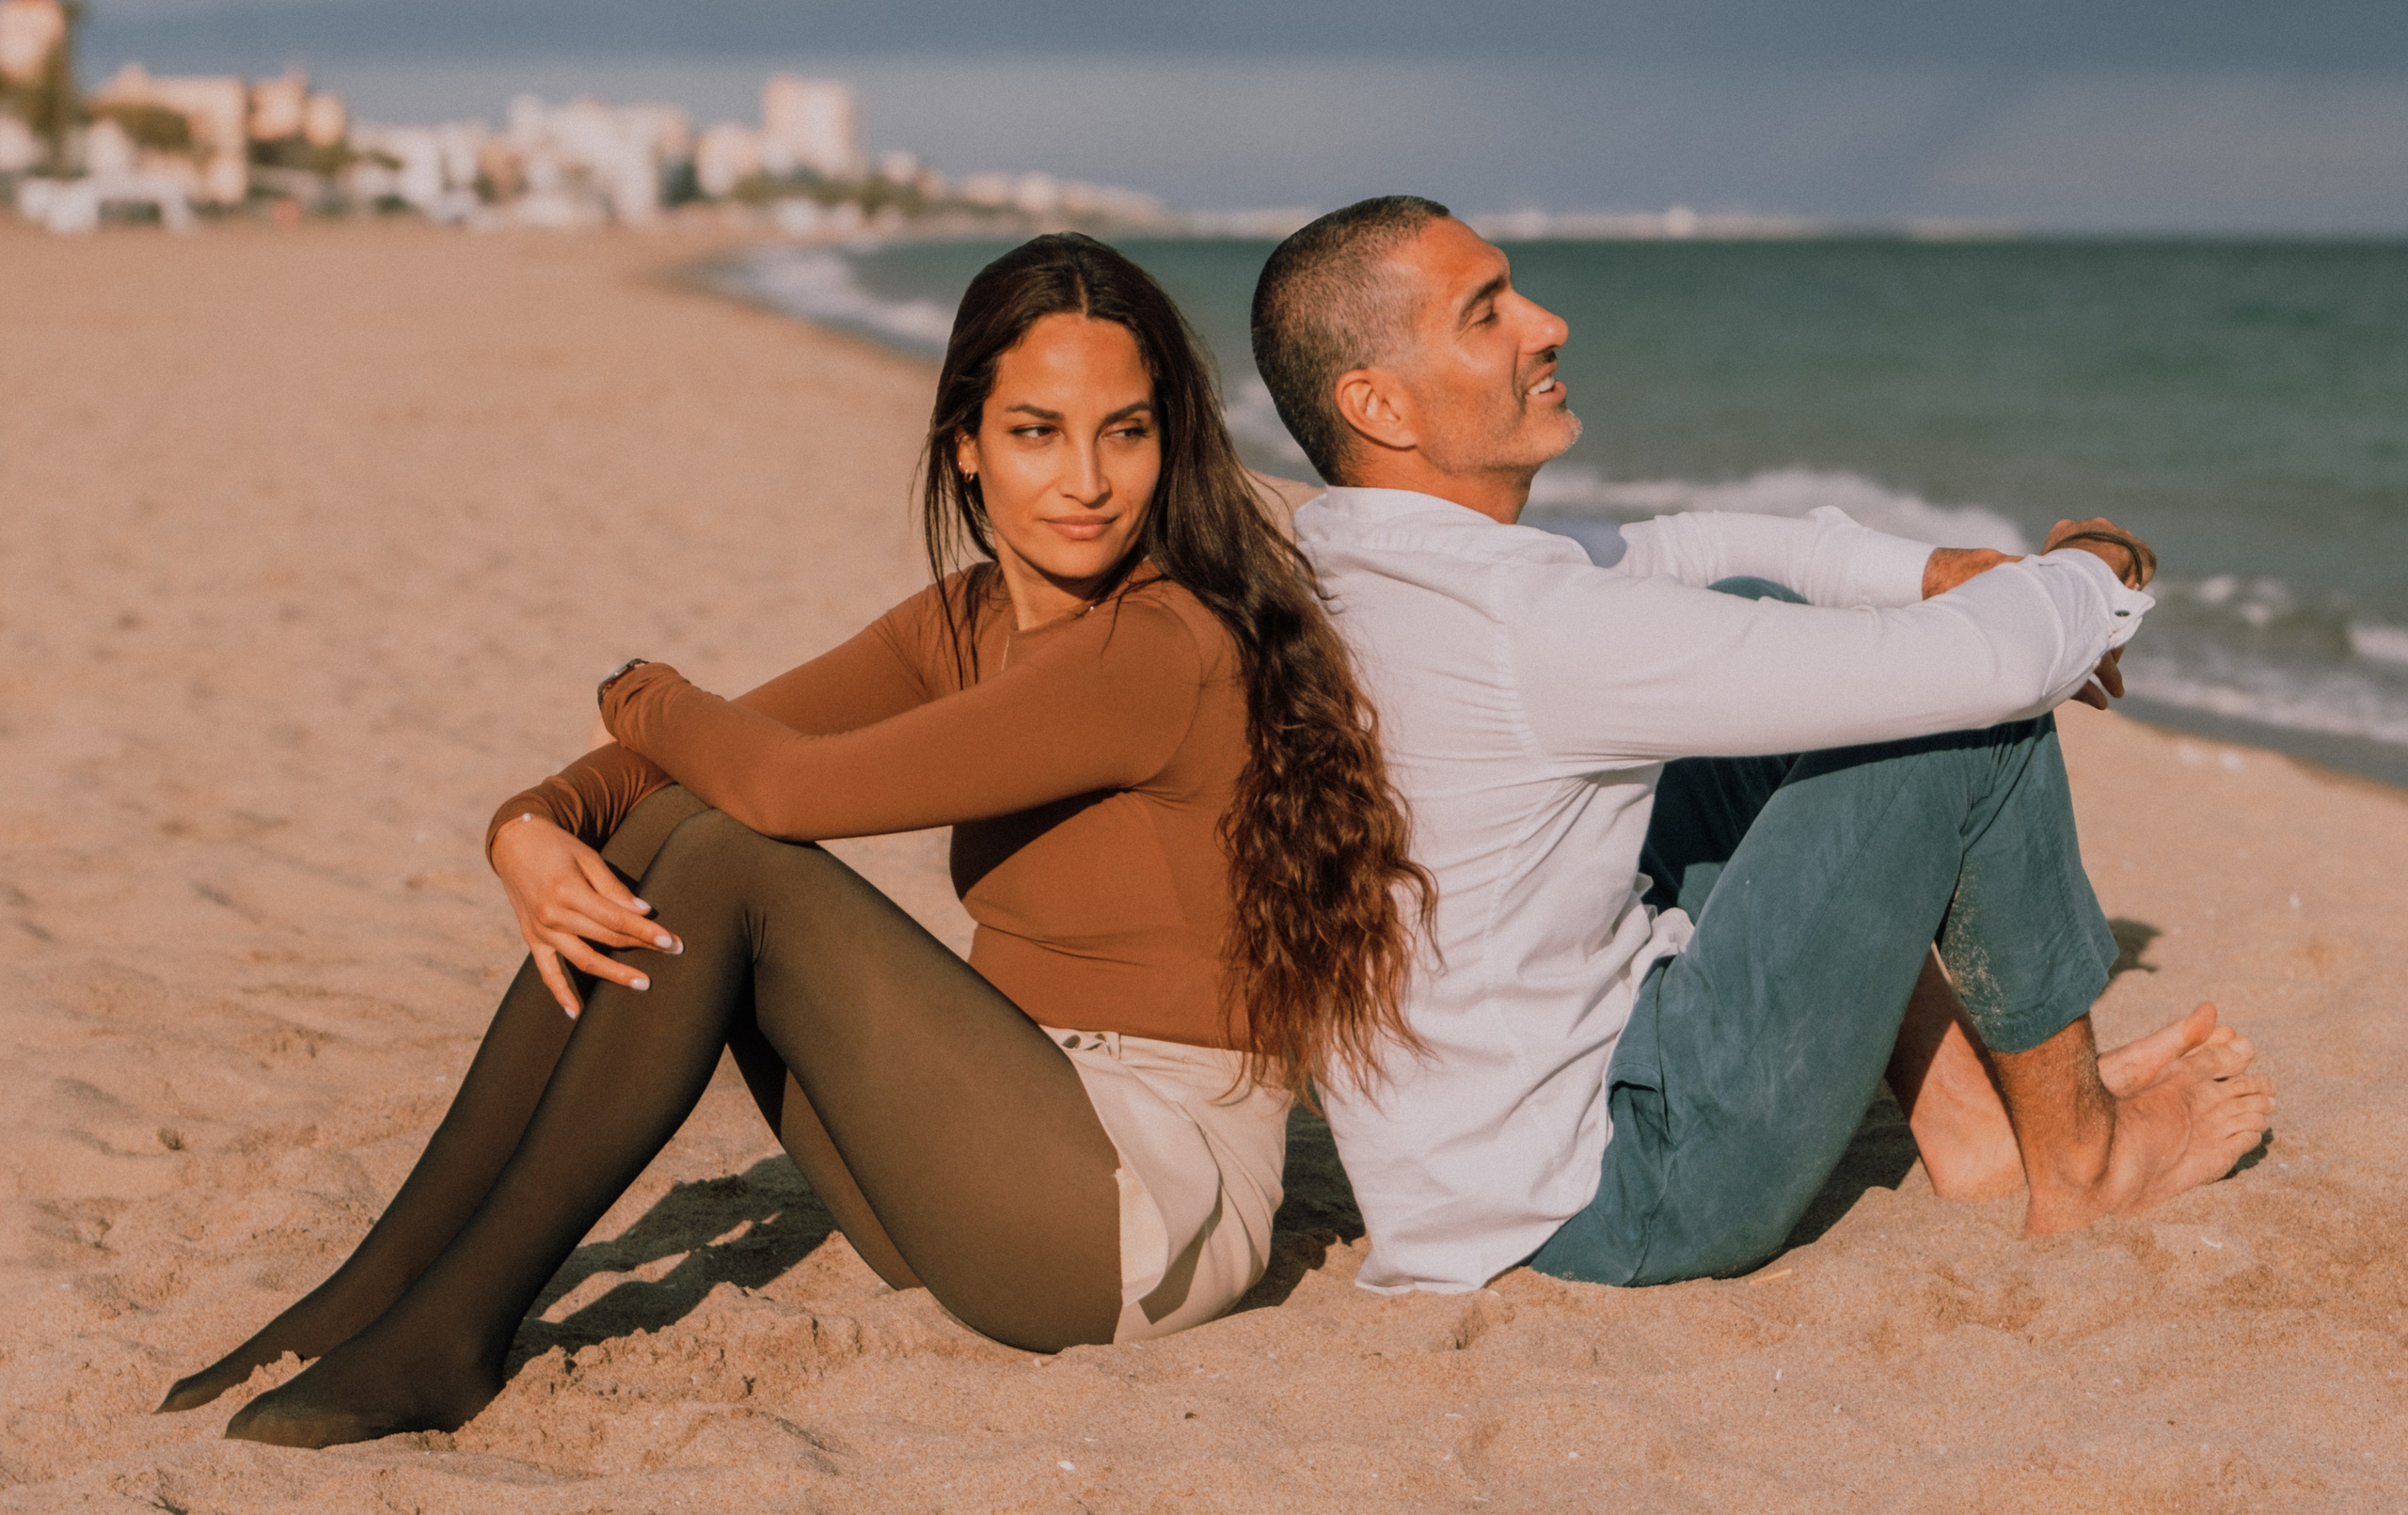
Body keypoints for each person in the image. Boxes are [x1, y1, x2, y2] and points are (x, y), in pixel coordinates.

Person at [158, 233, 1429, 1447]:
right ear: (970, 447)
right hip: (979, 1171)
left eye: (1126, 432)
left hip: (1141, 1212)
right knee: (670, 825)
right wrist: (529, 827)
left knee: (734, 851)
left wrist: (632, 681)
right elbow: (670, 776)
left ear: (1172, 443)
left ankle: (448, 1327)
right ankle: (376, 1286)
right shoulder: (968, 616)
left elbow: (780, 783)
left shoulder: (1162, 648)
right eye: (1037, 432)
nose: (1087, 480)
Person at [1251, 196, 2276, 1296]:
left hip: (1486, 1169)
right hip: (1623, 1193)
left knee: (1752, 610)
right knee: (1969, 717)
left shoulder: (1364, 570)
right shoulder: (1524, 630)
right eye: (1485, 313)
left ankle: (1970, 1122)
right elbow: (1990, 671)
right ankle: (2087, 1155)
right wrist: (2092, 566)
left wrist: (1926, 572)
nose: (1545, 324)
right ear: (1378, 404)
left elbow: (1697, 550)